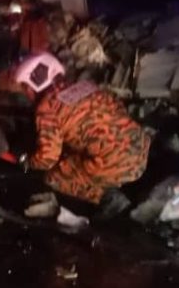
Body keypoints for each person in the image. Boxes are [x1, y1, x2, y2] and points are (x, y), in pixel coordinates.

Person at [14, 52, 152, 219]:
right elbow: (117, 109)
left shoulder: (47, 109)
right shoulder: (86, 86)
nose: (26, 92)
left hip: (117, 165)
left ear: (31, 87)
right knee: (76, 154)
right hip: (140, 147)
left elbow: (48, 158)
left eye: (25, 87)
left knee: (54, 177)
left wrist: (29, 162)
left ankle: (106, 197)